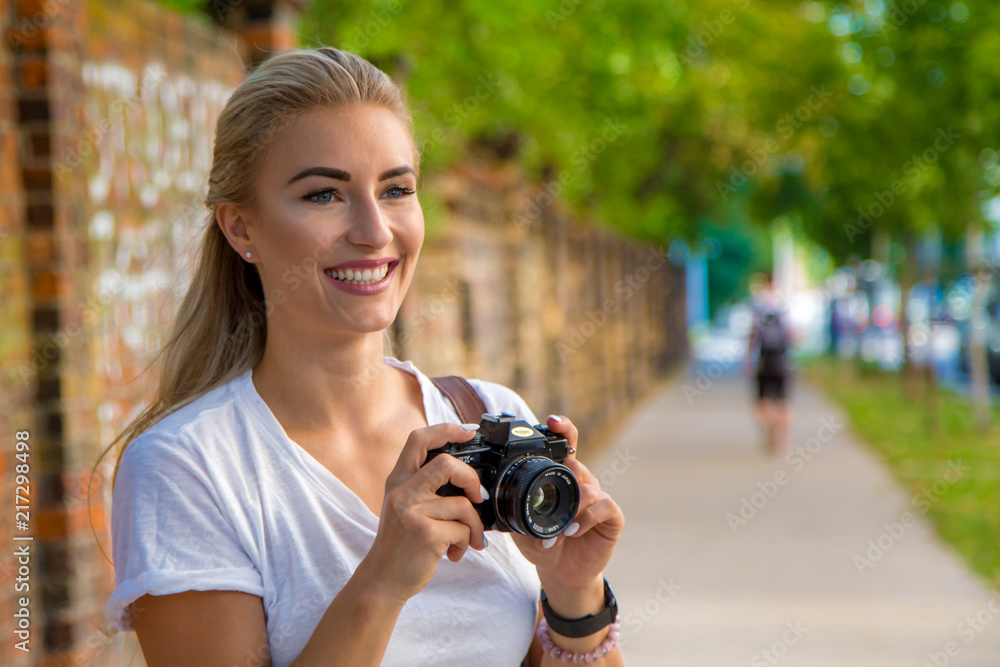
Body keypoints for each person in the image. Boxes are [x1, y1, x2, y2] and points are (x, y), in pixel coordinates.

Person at [101, 46, 625, 667]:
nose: (375, 231)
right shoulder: (188, 467)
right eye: (325, 195)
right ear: (241, 228)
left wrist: (574, 594)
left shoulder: (486, 414)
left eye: (396, 189)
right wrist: (381, 582)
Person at [746, 274, 793, 456]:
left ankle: (768, 426)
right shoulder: (785, 306)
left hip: (763, 360)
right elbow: (792, 334)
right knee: (784, 400)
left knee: (762, 398)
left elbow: (753, 336)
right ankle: (782, 436)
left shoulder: (757, 306)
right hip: (783, 361)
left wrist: (748, 361)